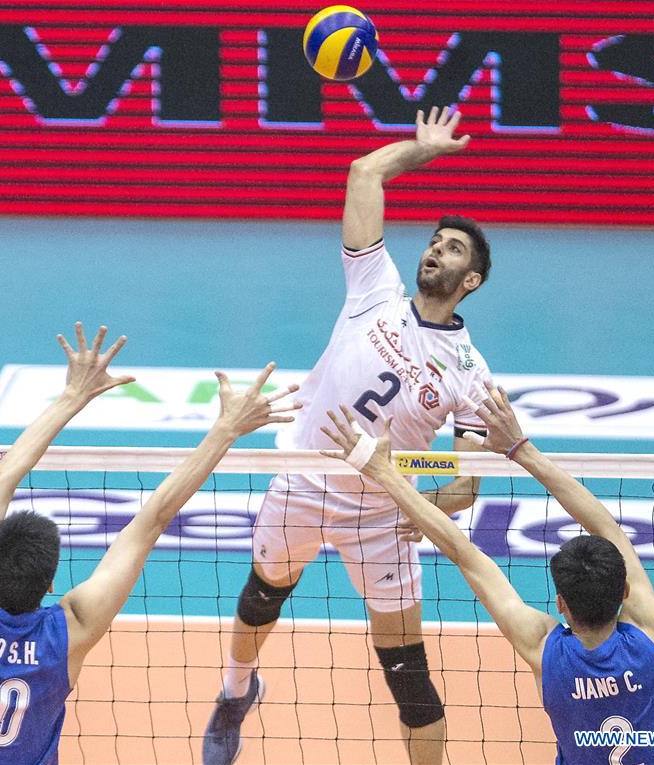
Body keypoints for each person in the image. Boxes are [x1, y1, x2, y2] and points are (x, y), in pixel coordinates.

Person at [203, 107, 493, 765]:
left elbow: (466, 479)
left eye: (452, 248)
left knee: (409, 677)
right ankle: (235, 691)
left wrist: (431, 500)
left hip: (382, 517)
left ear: (469, 280)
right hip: (302, 481)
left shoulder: (469, 371)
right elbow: (364, 172)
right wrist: (423, 151)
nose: (435, 249)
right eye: (435, 239)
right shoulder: (374, 289)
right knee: (259, 598)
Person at [0, 323, 299, 765]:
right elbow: (151, 521)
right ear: (52, 581)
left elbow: (0, 479)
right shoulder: (69, 632)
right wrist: (225, 431)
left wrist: (70, 397)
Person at [320, 389, 654, 764]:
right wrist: (520, 449)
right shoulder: (649, 636)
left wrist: (385, 473)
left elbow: (467, 557)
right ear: (625, 591)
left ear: (561, 603)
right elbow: (606, 526)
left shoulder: (545, 651)